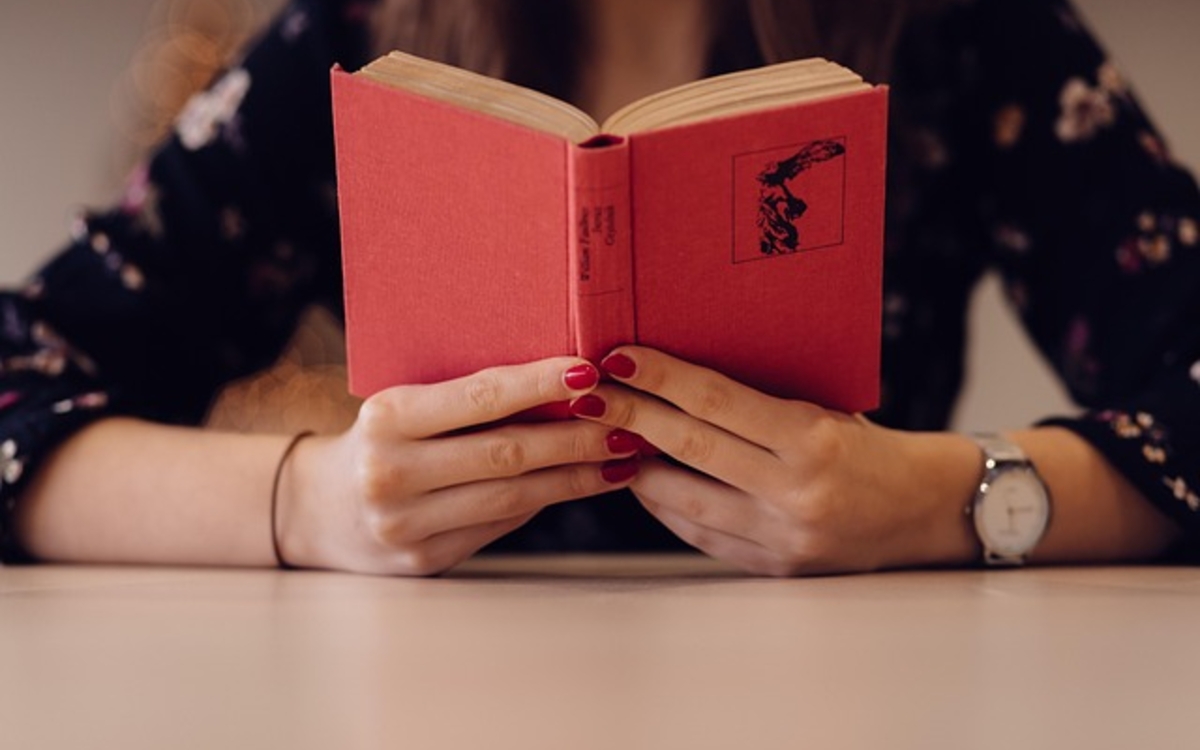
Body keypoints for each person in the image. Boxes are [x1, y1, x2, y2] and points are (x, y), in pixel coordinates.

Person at [1, 0, 1196, 576]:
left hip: (837, 694)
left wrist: (942, 498)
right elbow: (18, 384)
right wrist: (307, 504)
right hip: (450, 704)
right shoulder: (355, 43)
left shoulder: (966, 30)